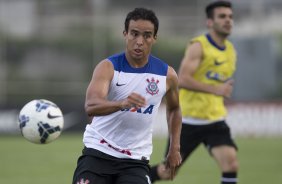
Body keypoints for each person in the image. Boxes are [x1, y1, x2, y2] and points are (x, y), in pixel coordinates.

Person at [72, 7, 182, 184]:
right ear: (125, 34)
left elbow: (175, 109)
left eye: (147, 35)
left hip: (135, 160)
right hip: (98, 153)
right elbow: (91, 106)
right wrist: (121, 103)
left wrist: (174, 148)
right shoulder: (108, 67)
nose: (139, 41)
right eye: (134, 34)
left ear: (154, 38)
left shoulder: (167, 75)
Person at [150, 1, 239, 184]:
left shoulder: (230, 50)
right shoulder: (199, 46)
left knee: (231, 164)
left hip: (215, 119)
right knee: (168, 172)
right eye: (222, 16)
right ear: (209, 22)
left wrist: (222, 89)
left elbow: (216, 80)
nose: (228, 20)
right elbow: (182, 79)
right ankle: (134, 178)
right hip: (188, 120)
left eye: (230, 16)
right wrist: (217, 89)